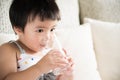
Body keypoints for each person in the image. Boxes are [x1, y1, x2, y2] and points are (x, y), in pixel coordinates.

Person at [0, 0, 74, 80]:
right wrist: (39, 68)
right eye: (40, 30)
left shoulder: (48, 53)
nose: (48, 37)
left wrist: (67, 74)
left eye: (52, 29)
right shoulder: (9, 50)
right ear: (19, 29)